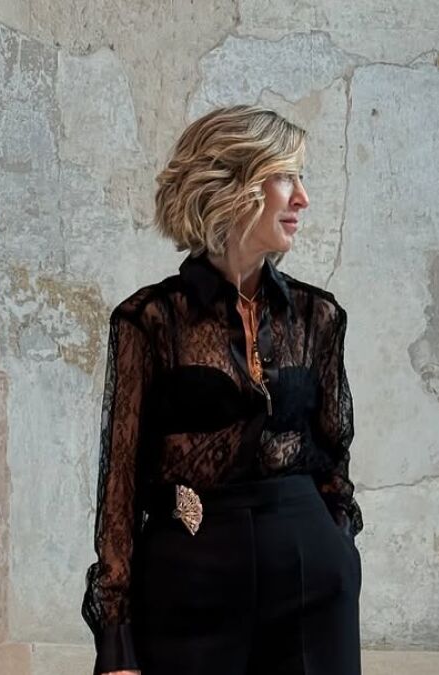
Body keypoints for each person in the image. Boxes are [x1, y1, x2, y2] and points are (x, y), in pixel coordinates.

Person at [81, 104, 362, 675]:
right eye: (284, 177)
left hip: (311, 579)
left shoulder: (318, 316)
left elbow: (333, 461)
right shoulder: (150, 320)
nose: (303, 198)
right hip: (190, 579)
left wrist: (337, 547)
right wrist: (115, 636)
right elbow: (120, 486)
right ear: (233, 187)